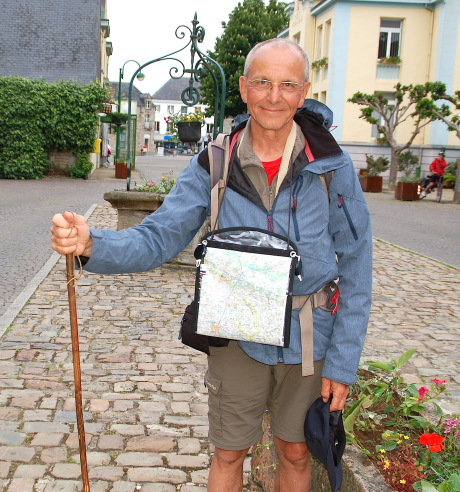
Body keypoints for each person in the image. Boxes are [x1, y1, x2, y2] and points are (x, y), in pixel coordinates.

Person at [51, 38, 372, 492]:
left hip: (309, 334)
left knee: (296, 451)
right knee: (228, 452)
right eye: (262, 82)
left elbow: (358, 264)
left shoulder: (331, 166)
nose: (273, 96)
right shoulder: (215, 162)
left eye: (286, 85)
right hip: (237, 329)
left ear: (303, 93)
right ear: (243, 88)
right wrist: (90, 245)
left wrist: (343, 362)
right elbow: (158, 237)